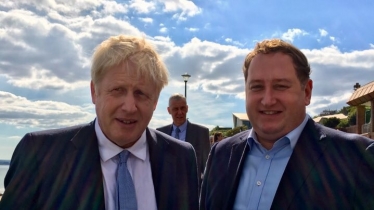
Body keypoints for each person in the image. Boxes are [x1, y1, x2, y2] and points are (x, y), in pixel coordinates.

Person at [0, 35, 199, 210]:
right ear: (94, 92)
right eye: (118, 90)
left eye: (141, 93)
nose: (130, 106)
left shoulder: (181, 157)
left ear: (155, 101)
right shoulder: (40, 155)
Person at [200, 39, 374, 210]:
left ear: (306, 92)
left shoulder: (356, 157)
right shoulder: (221, 154)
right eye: (257, 87)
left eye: (281, 86)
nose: (268, 100)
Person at [157, 93, 210, 184]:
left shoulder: (201, 133)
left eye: (182, 108)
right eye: (175, 109)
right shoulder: (160, 133)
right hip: (167, 191)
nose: (180, 112)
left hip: (193, 192)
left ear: (187, 108)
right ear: (169, 110)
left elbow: (207, 167)